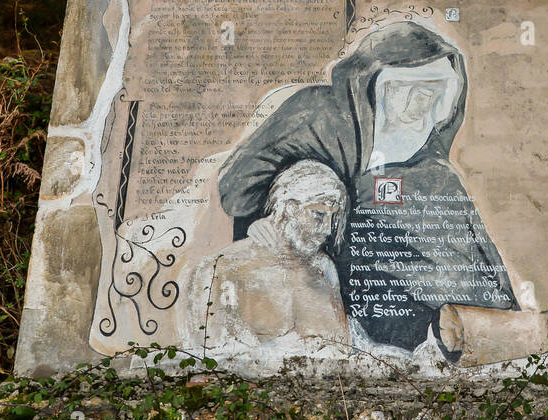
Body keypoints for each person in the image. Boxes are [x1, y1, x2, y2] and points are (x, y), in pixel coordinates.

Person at [216, 22, 518, 354]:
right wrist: (265, 220)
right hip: (314, 272)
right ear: (376, 84)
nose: (420, 102)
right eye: (407, 88)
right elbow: (238, 186)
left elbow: (467, 249)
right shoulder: (318, 116)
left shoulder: (432, 167)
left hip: (394, 305)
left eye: (432, 90)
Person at [188, 159, 350, 354]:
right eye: (318, 214)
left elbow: (344, 347)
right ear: (290, 207)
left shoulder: (324, 268)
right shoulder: (221, 268)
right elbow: (210, 355)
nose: (327, 230)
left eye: (333, 217)